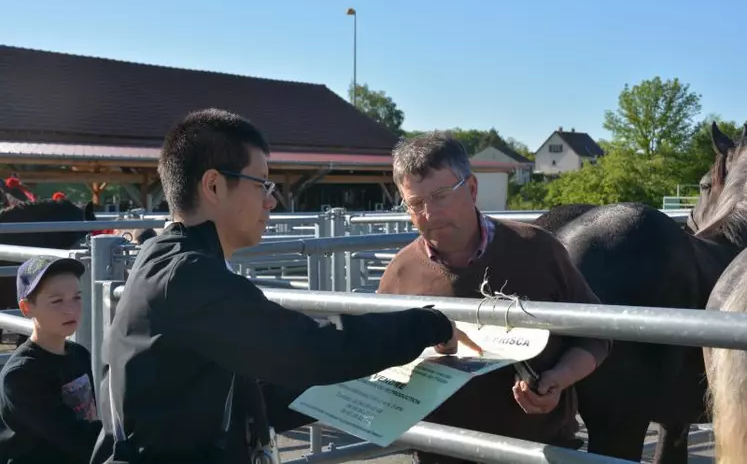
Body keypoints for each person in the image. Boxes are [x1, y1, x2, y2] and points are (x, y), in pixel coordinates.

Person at [90, 108, 480, 464]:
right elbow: (308, 348)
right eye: (261, 184)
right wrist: (430, 325)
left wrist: (355, 384)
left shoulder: (172, 260)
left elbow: (244, 380)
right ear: (213, 186)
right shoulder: (187, 275)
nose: (271, 201)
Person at [376, 132, 612, 464]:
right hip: (442, 452)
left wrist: (559, 379)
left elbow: (596, 333)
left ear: (471, 189)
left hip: (537, 450)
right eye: (415, 203)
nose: (429, 214)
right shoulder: (399, 274)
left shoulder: (538, 249)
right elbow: (384, 362)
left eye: (441, 195)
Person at [0, 256, 102, 464]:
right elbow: (73, 438)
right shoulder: (21, 375)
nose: (71, 309)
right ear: (27, 308)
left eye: (77, 297)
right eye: (57, 301)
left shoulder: (79, 353)